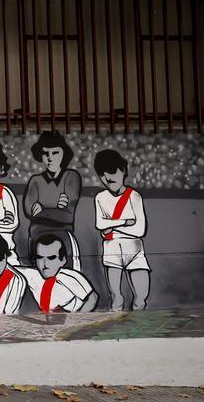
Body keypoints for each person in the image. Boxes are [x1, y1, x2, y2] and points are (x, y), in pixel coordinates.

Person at [93, 149, 151, 311]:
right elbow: (100, 224)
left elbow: (140, 230)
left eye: (112, 171)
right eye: (103, 175)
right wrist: (126, 222)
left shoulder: (134, 197)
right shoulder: (100, 198)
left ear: (123, 170)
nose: (108, 178)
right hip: (111, 250)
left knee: (141, 297)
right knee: (116, 299)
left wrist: (111, 225)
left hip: (134, 251)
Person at [22, 131, 82, 269]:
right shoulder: (35, 180)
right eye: (45, 154)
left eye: (55, 153)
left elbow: (68, 215)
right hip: (36, 238)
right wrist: (55, 209)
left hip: (63, 239)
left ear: (63, 154)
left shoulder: (71, 177)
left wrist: (42, 210)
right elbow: (29, 210)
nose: (50, 158)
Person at [17, 233, 97, 313]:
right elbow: (9, 268)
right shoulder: (31, 275)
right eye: (40, 257)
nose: (45, 263)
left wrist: (77, 318)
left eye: (51, 258)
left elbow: (93, 298)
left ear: (62, 260)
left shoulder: (70, 277)